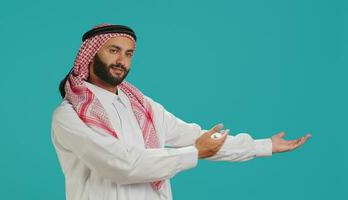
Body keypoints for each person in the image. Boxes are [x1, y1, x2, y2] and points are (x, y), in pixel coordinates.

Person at [51, 23, 311, 200]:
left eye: (129, 54)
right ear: (91, 54)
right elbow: (121, 166)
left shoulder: (142, 106)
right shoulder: (69, 115)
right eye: (114, 51)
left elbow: (195, 136)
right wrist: (195, 153)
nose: (122, 61)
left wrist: (263, 145)